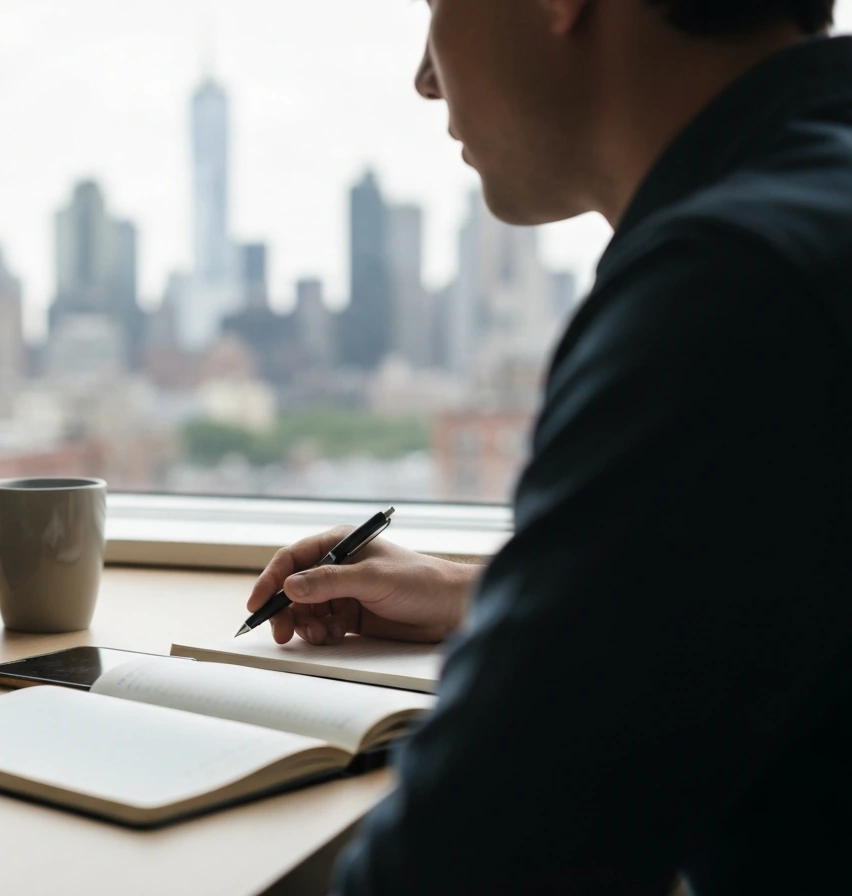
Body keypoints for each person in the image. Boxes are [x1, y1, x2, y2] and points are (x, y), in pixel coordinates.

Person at [246, 1, 852, 893]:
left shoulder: (731, 291)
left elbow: (467, 866)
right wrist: (489, 593)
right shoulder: (811, 214)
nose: (424, 76)